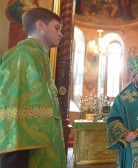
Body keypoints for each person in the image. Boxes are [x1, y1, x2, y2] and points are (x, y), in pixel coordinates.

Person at [0, 7, 65, 168]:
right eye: (57, 28)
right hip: (25, 152)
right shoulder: (23, 54)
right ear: (40, 25)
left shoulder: (36, 55)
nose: (61, 34)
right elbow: (15, 111)